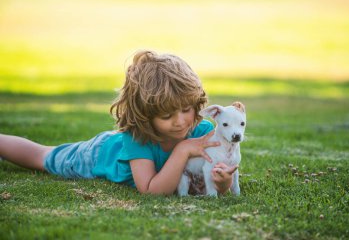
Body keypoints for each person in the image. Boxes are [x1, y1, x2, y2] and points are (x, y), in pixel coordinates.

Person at [0, 50, 238, 195]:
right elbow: (152, 191)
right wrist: (183, 149)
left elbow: (209, 184)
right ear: (145, 116)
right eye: (166, 116)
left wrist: (223, 182)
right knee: (44, 157)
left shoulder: (205, 132)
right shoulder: (139, 137)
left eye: (186, 109)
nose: (180, 122)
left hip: (115, 145)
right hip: (98, 154)